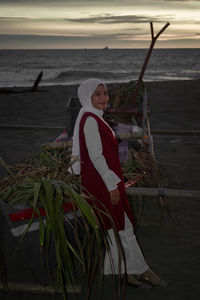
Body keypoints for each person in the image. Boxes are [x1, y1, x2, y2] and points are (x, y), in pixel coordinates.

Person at [70, 78, 166, 288]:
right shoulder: (90, 120)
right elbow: (96, 156)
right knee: (123, 226)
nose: (104, 98)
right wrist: (111, 185)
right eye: (98, 94)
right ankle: (143, 271)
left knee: (117, 228)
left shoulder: (94, 117)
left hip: (105, 180)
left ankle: (123, 272)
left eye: (105, 93)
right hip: (103, 183)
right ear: (88, 97)